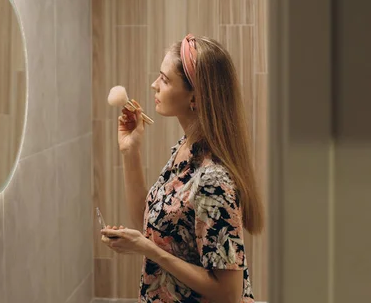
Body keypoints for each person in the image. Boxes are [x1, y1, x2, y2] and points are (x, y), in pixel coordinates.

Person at [101, 34, 264, 303]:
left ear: (195, 98)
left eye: (165, 80)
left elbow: (229, 294)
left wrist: (150, 250)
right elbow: (151, 224)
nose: (154, 85)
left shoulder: (212, 179)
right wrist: (130, 152)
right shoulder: (186, 149)